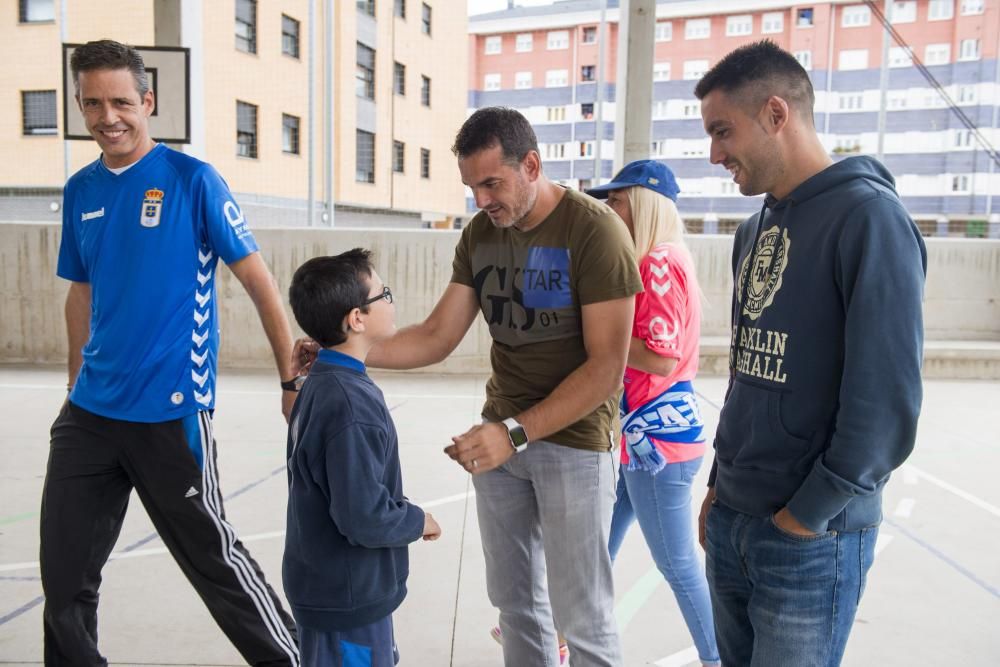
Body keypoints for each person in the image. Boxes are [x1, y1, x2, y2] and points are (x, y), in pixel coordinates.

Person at [295, 106, 642, 666]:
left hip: (572, 445)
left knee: (583, 615)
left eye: (492, 183)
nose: (480, 201)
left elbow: (607, 369)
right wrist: (346, 347)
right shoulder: (482, 234)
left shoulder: (595, 231)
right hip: (501, 441)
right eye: (471, 187)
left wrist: (515, 433)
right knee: (515, 605)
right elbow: (435, 334)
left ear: (531, 165)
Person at [43, 40, 300, 665]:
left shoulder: (193, 181)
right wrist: (74, 384)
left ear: (148, 101)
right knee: (63, 578)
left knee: (216, 564)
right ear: (81, 106)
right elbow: (81, 293)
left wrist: (291, 379)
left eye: (122, 102)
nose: (109, 117)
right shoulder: (81, 189)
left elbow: (261, 286)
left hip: (170, 413)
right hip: (90, 417)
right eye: (93, 104)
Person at [693, 40, 927, 666]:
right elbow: (746, 372)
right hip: (734, 518)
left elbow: (885, 403)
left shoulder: (870, 219)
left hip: (809, 538)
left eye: (722, 131)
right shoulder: (753, 230)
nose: (714, 154)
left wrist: (806, 516)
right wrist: (720, 485)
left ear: (776, 113)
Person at [586, 160, 720, 667]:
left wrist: (600, 340)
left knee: (678, 563)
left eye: (617, 199)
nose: (608, 207)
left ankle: (717, 657)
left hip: (656, 444)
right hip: (645, 439)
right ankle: (560, 631)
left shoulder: (658, 263)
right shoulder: (667, 257)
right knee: (598, 545)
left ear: (642, 202)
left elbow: (660, 355)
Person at [283, 249, 442, 666]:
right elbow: (363, 517)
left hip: (329, 587)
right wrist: (417, 519)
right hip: (347, 598)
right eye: (383, 294)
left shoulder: (324, 381)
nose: (391, 301)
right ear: (356, 318)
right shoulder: (350, 403)